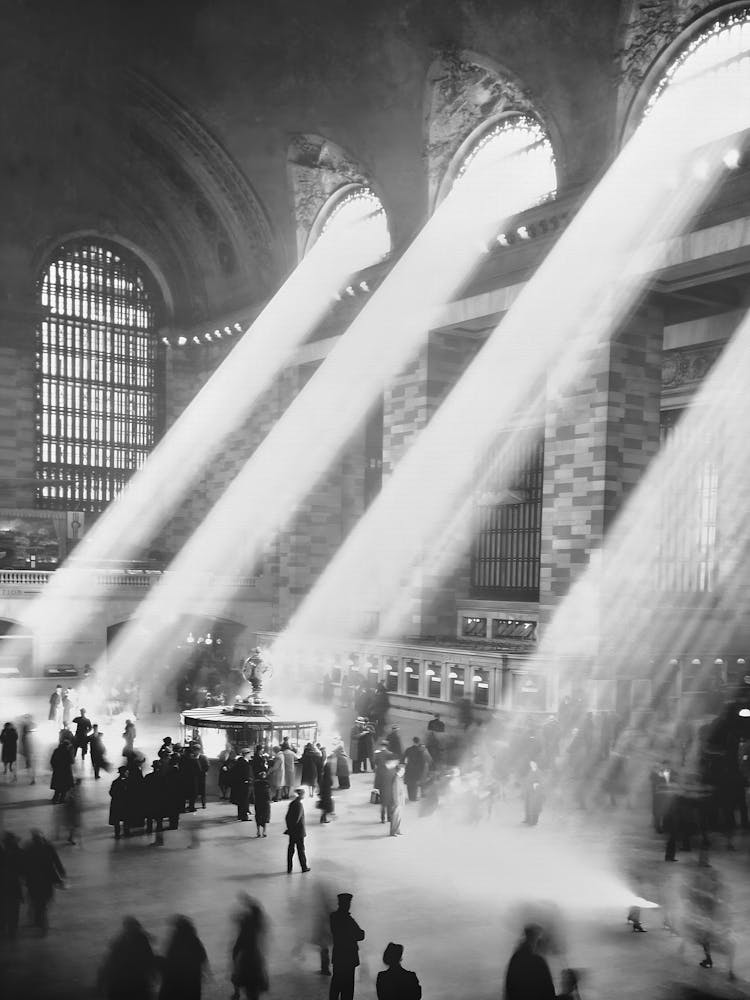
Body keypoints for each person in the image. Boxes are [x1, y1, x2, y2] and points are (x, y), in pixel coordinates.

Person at [99, 916, 159, 1000]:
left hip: (129, 981)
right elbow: (149, 958)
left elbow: (111, 961)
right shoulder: (138, 939)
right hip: (133, 981)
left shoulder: (123, 940)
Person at [23, 829, 66, 935]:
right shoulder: (48, 846)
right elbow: (55, 861)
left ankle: (39, 923)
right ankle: (41, 924)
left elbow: (24, 865)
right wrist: (61, 873)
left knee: (38, 903)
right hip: (46, 881)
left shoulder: (29, 848)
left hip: (34, 881)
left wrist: (23, 876)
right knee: (42, 903)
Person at [159, 914, 208, 1000]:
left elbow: (171, 960)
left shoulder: (176, 939)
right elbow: (202, 956)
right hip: (193, 981)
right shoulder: (193, 939)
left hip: (179, 981)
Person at [231, 895, 269, 1000]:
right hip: (256, 961)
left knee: (250, 990)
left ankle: (238, 994)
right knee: (254, 991)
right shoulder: (256, 928)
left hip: (247, 962)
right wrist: (249, 902)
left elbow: (235, 951)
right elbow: (257, 911)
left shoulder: (244, 934)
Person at [504, 924, 555, 1000]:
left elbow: (509, 987)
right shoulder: (538, 961)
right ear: (535, 939)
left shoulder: (515, 958)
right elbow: (548, 989)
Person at [329, 892, 365, 1000]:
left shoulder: (334, 917)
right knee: (348, 989)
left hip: (338, 956)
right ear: (346, 904)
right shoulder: (348, 920)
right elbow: (360, 935)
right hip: (349, 958)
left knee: (336, 984)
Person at [0, 831, 24, 940]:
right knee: (13, 911)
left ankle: (4, 928)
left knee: (4, 909)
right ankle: (12, 932)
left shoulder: (4, 852)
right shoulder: (17, 852)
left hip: (3, 887)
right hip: (13, 887)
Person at [284, 788, 310, 873]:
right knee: (300, 850)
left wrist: (289, 828)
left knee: (291, 849)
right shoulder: (299, 805)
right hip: (298, 831)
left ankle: (289, 868)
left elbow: (287, 817)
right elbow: (297, 818)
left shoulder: (292, 803)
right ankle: (304, 867)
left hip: (292, 831)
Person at [403, 737, 431, 802]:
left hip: (409, 768)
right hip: (416, 769)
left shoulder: (408, 749)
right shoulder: (420, 751)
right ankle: (414, 797)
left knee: (409, 783)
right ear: (418, 742)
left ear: (413, 741)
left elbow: (403, 758)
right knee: (415, 783)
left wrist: (404, 764)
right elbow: (422, 762)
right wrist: (422, 770)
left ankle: (410, 797)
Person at [50, 737, 74, 803]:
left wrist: (55, 768)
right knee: (65, 787)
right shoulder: (68, 752)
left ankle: (55, 798)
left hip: (57, 771)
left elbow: (52, 761)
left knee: (57, 787)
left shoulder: (56, 750)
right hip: (66, 772)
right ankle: (62, 799)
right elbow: (72, 761)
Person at [109, 765, 131, 839]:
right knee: (125, 818)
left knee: (118, 819)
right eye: (127, 772)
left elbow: (111, 792)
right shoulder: (128, 782)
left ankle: (118, 834)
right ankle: (126, 832)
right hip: (123, 803)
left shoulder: (115, 782)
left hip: (117, 803)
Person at [231, 748, 252, 821]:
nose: (250, 756)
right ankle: (243, 816)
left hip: (241, 784)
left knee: (241, 801)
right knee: (244, 800)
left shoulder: (240, 761)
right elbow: (244, 774)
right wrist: (246, 780)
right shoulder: (243, 763)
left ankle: (241, 815)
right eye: (249, 754)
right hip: (244, 784)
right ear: (246, 754)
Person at [523, 760, 544, 826]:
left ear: (536, 764)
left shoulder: (539, 772)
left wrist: (536, 784)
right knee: (528, 805)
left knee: (534, 806)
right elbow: (528, 780)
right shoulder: (530, 771)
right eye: (531, 764)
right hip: (529, 791)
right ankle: (528, 819)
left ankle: (534, 821)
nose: (531, 765)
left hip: (535, 792)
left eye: (533, 763)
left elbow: (540, 781)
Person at [253, 769, 271, 837]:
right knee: (265, 816)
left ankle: (258, 831)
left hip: (258, 801)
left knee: (258, 815)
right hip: (265, 802)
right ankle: (264, 831)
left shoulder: (256, 783)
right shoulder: (267, 783)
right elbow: (268, 794)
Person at [318, 754, 335, 823]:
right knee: (327, 803)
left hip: (324, 789)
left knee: (325, 804)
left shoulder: (326, 766)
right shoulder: (328, 767)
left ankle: (323, 818)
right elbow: (330, 780)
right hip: (326, 790)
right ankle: (323, 818)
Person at [19, 715, 36, 783]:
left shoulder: (27, 736)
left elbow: (24, 744)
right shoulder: (28, 734)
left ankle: (32, 779)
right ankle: (32, 779)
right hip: (29, 752)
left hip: (29, 752)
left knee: (30, 765)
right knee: (30, 765)